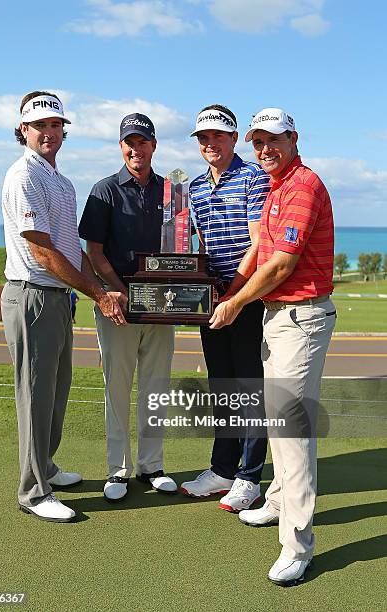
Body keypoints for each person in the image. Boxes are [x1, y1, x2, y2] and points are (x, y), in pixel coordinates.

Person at [210, 108, 335, 586]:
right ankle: (279, 500)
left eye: (274, 141)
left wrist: (235, 302)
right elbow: (260, 250)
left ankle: (297, 544)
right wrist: (232, 294)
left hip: (300, 317)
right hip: (278, 317)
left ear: (294, 139)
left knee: (292, 431)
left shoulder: (303, 185)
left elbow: (282, 264)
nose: (264, 150)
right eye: (257, 142)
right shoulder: (278, 187)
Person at [1, 90, 126, 523]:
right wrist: (99, 293)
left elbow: (71, 251)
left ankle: (46, 468)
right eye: (40, 126)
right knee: (35, 395)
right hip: (32, 295)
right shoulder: (24, 176)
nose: (49, 132)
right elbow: (43, 252)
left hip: (57, 298)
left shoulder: (60, 180)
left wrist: (102, 284)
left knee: (55, 391)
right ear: (24, 130)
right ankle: (34, 492)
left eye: (56, 125)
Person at [79, 113, 177, 501]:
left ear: (154, 146)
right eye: (129, 143)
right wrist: (118, 293)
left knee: (156, 387)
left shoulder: (172, 191)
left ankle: (151, 466)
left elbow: (181, 247)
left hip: (162, 308)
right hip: (118, 307)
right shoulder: (104, 190)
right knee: (116, 388)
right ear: (122, 147)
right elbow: (95, 252)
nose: (136, 149)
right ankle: (117, 470)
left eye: (143, 142)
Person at [180, 104, 271, 513]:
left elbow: (257, 245)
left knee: (249, 386)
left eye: (218, 135)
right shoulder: (196, 187)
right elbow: (196, 245)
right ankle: (223, 468)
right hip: (212, 299)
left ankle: (250, 477)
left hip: (246, 297)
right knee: (222, 384)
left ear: (234, 138)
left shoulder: (254, 178)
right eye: (203, 137)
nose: (210, 143)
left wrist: (233, 295)